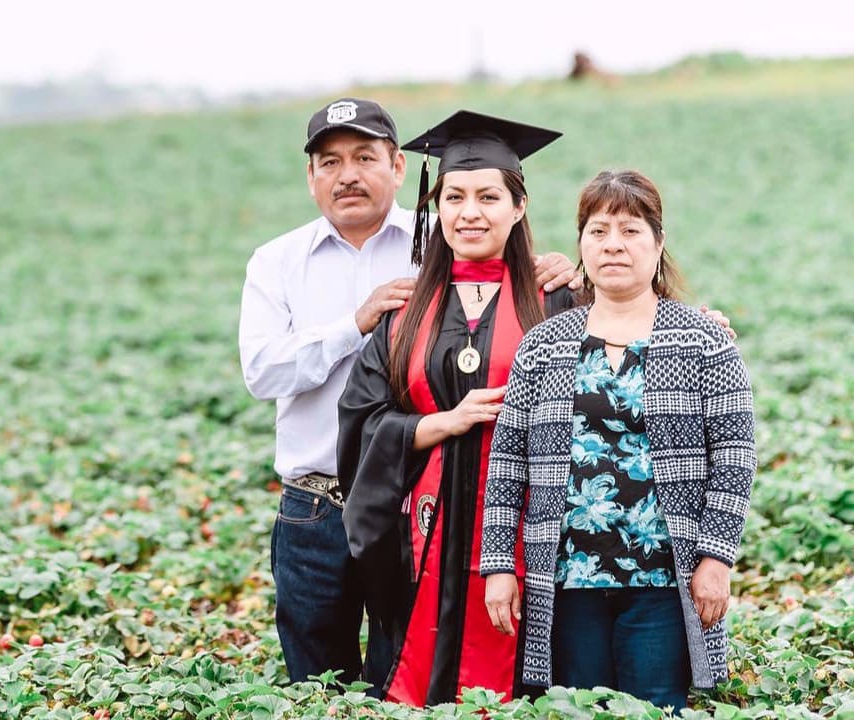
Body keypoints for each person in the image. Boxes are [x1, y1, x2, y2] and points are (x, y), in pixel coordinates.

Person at [239, 99, 579, 692]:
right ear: (311, 174)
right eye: (330, 160)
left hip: (455, 517)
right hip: (323, 505)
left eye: (365, 157)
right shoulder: (279, 263)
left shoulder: (438, 248)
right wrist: (359, 323)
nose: (348, 174)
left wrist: (566, 273)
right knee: (325, 681)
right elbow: (264, 373)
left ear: (399, 168)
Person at [480, 170, 756, 709]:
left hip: (661, 579)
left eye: (630, 230)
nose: (613, 245)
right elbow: (508, 462)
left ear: (658, 242)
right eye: (599, 230)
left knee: (654, 704)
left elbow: (734, 459)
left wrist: (716, 559)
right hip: (566, 578)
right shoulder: (545, 344)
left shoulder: (702, 340)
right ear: (581, 243)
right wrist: (497, 566)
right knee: (577, 706)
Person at [336, 109, 576, 706]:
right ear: (435, 206)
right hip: (421, 542)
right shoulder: (404, 311)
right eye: (454, 196)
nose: (470, 212)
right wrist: (435, 424)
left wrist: (706, 328)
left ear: (518, 208)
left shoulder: (560, 302)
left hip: (530, 537)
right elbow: (360, 422)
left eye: (489, 196)